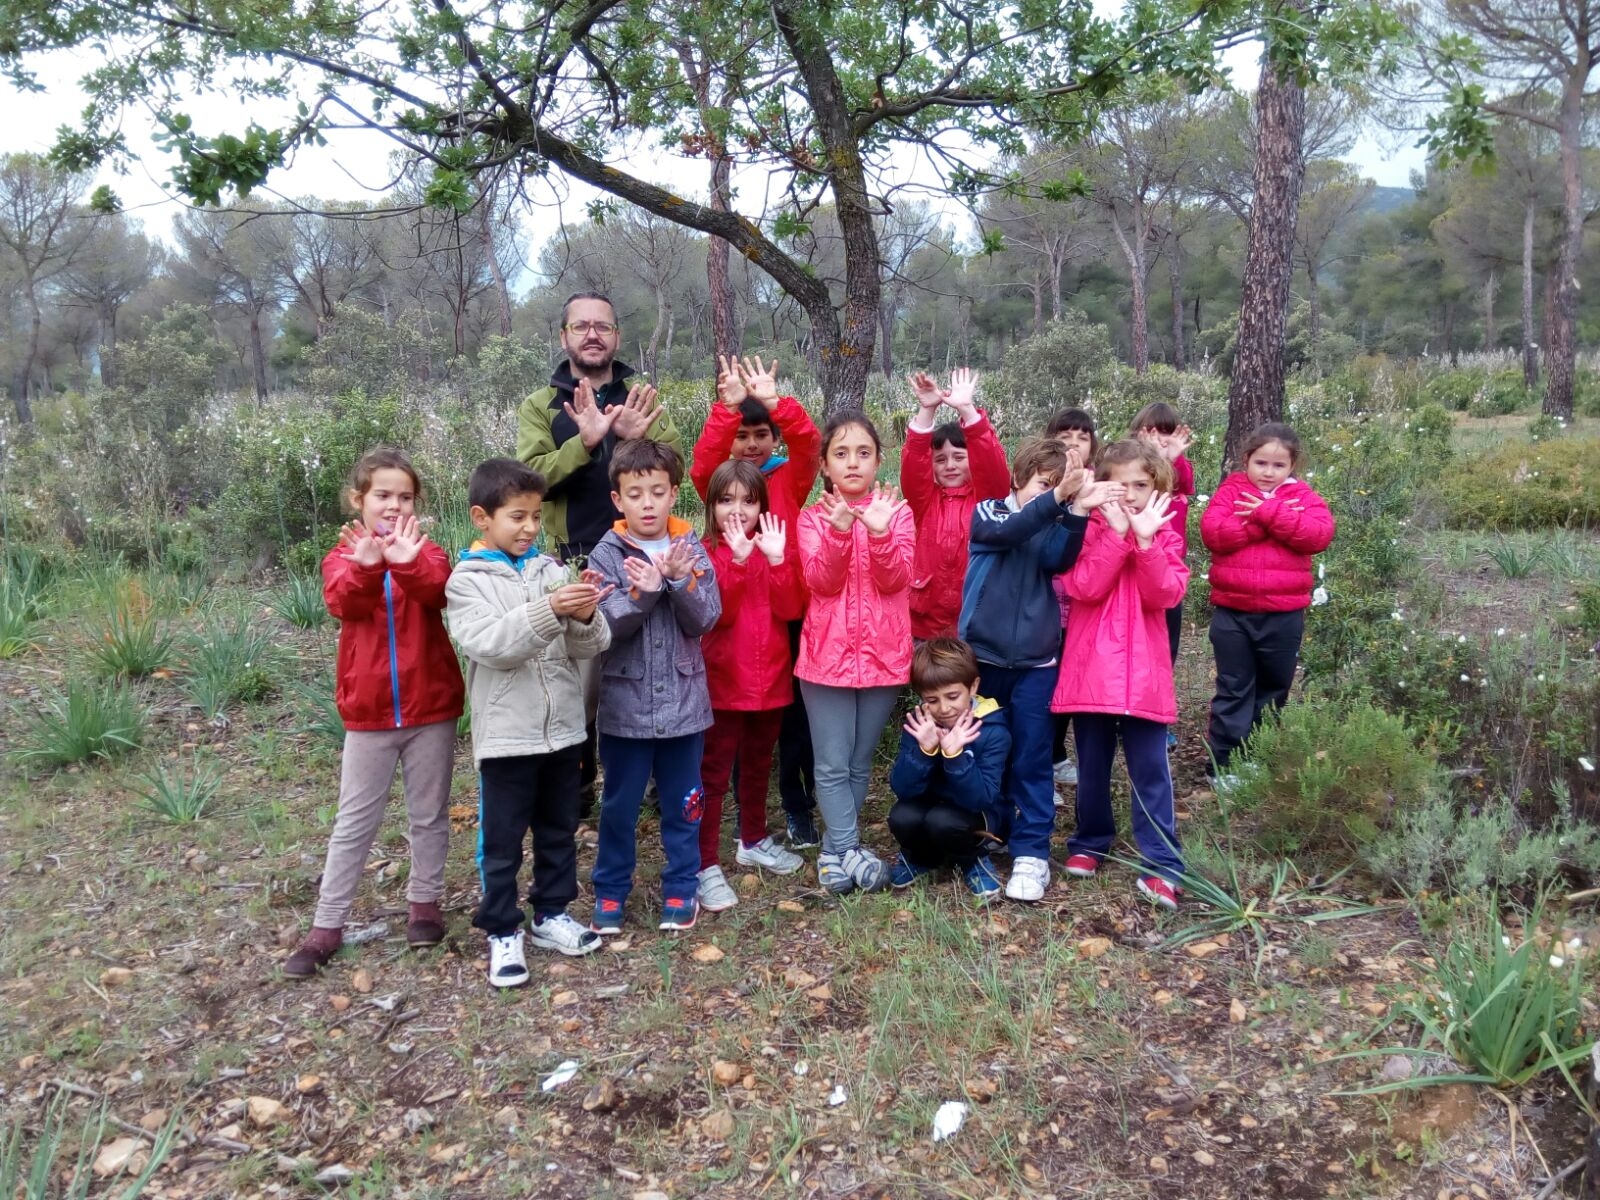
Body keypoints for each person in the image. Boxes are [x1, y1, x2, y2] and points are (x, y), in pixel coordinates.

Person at [284, 449, 464, 979]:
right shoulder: (342, 556)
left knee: (428, 813)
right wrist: (367, 567)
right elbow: (344, 604)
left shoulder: (427, 550)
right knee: (355, 819)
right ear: (359, 500)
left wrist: (403, 559)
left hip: (431, 707)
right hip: (368, 713)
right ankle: (327, 925)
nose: (393, 504)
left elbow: (436, 591)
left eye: (404, 496)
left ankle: (424, 906)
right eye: (382, 495)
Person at [446, 458, 613, 987]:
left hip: (563, 730)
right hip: (507, 740)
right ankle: (502, 929)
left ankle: (552, 913)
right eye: (517, 516)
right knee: (501, 840)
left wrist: (584, 613)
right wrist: (550, 610)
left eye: (537, 517)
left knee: (559, 829)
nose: (530, 528)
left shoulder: (550, 571)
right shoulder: (465, 582)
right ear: (482, 517)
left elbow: (590, 646)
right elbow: (493, 646)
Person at [515, 292, 686, 810]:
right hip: (577, 560)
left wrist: (636, 441)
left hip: (647, 557)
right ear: (564, 335)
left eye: (603, 327)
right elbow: (530, 482)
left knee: (649, 665)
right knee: (582, 681)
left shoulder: (641, 399)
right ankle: (580, 784)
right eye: (581, 326)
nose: (593, 334)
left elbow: (678, 469)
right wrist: (585, 442)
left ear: (616, 336)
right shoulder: (540, 405)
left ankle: (656, 777)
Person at [961, 439, 1112, 903]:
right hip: (982, 662)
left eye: (1059, 486)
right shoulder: (990, 513)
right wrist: (1056, 499)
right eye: (1044, 484)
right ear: (1018, 479)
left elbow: (1057, 559)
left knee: (1031, 756)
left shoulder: (1054, 518)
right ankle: (991, 834)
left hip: (1036, 663)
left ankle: (1032, 853)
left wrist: (1078, 511)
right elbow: (1011, 532)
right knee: (987, 753)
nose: (1053, 494)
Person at [587, 439, 722, 933]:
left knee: (685, 802)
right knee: (619, 805)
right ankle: (610, 890)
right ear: (618, 500)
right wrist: (643, 593)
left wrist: (680, 583)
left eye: (657, 492)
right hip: (625, 707)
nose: (648, 503)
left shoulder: (690, 549)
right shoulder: (606, 552)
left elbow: (705, 618)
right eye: (635, 493)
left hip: (686, 707)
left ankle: (682, 886)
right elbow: (605, 624)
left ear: (673, 495)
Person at [690, 355, 823, 848]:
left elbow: (810, 443)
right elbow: (703, 464)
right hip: (731, 624)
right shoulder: (722, 487)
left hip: (780, 610)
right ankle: (724, 838)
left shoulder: (789, 478)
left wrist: (777, 403)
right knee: (725, 745)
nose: (750, 445)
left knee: (785, 729)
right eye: (742, 436)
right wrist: (726, 410)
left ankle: (788, 810)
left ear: (774, 438)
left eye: (761, 434)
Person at [1053, 439, 1189, 909]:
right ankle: (1090, 841)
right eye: (1120, 484)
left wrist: (1146, 542)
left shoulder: (1166, 534)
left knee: (1150, 769)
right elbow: (1083, 587)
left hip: (1145, 677)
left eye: (1141, 484)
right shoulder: (1088, 529)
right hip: (1092, 672)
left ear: (1158, 487)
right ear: (1101, 484)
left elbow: (1165, 595)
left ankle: (1162, 862)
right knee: (1092, 765)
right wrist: (1114, 535)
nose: (1130, 494)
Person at [795, 411, 914, 895]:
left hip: (885, 657)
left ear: (879, 460)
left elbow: (897, 580)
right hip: (826, 659)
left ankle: (832, 851)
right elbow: (820, 582)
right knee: (830, 763)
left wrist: (881, 533)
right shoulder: (812, 518)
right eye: (841, 454)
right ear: (825, 465)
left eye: (863, 453)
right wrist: (841, 531)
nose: (852, 463)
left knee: (861, 761)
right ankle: (845, 848)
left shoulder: (898, 512)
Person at [694, 461, 807, 912]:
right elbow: (715, 614)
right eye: (726, 500)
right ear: (712, 506)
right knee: (714, 775)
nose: (737, 511)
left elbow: (791, 607)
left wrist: (777, 560)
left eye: (748, 500)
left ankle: (753, 839)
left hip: (772, 680)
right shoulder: (704, 551)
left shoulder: (774, 547)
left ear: (762, 504)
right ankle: (704, 864)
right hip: (723, 681)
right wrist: (739, 563)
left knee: (759, 764)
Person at [1201, 422, 1335, 777]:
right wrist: (1264, 522)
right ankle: (1225, 765)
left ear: (1293, 466)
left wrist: (1268, 512)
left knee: (1273, 689)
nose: (1268, 472)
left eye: (1279, 465)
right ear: (1246, 459)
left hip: (1284, 614)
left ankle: (1256, 759)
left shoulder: (1303, 497)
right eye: (1261, 463)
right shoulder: (1230, 493)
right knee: (1233, 688)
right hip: (1233, 612)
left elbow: (1319, 535)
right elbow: (1214, 534)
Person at [886, 638, 1011, 902]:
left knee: (944, 821)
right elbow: (902, 788)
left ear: (973, 686)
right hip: (929, 807)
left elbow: (982, 798)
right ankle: (921, 858)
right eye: (932, 700)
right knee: (901, 817)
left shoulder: (993, 730)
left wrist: (955, 758)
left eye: (953, 696)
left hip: (975, 814)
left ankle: (971, 861)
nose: (944, 708)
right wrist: (924, 750)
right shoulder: (921, 724)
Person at [900, 368, 1011, 641]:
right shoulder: (923, 502)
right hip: (925, 625)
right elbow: (915, 466)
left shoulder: (988, 500)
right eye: (940, 459)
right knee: (928, 683)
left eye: (959, 457)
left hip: (976, 621)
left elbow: (993, 466)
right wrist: (927, 411)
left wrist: (968, 412)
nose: (950, 465)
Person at [1042, 407, 1100, 789]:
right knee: (1045, 688)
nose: (1073, 443)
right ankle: (1046, 761)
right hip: (1045, 607)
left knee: (1070, 684)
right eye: (1065, 437)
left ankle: (1058, 754)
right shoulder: (1042, 485)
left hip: (1084, 608)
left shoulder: (1100, 484)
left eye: (1081, 436)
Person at [1129, 401, 1197, 667]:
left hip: (1167, 566)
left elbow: (1181, 482)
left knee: (1167, 634)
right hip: (1134, 562)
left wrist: (1173, 458)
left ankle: (1162, 680)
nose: (1159, 440)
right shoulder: (1129, 477)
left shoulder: (1178, 480)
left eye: (1166, 433)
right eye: (1151, 432)